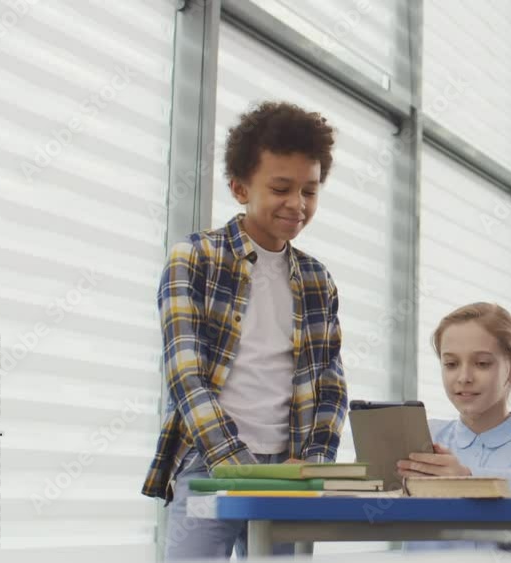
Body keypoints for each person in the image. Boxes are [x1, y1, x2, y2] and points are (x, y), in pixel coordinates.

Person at [141, 101, 347, 559]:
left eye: (309, 191)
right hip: (208, 463)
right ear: (239, 187)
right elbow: (185, 377)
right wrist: (236, 467)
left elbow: (330, 384)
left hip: (288, 469)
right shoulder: (193, 259)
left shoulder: (318, 280)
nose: (297, 204)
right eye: (280, 188)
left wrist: (314, 463)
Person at [398, 302, 511, 497]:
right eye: (451, 364)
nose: (464, 377)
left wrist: (467, 479)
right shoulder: (426, 436)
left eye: (482, 363)